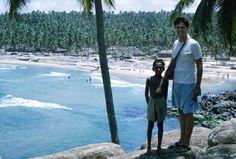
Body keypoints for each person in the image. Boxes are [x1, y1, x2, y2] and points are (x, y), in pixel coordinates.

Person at [168, 16, 203, 153]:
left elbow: (200, 66)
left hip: (189, 83)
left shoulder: (193, 44)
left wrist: (198, 86)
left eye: (183, 27)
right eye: (178, 27)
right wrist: (166, 76)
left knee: (188, 113)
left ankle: (187, 143)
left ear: (187, 28)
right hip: (177, 82)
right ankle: (181, 140)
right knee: (180, 111)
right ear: (175, 29)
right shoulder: (176, 43)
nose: (180, 29)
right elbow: (173, 61)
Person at [145, 59, 169, 155]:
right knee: (150, 125)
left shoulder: (165, 80)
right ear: (153, 68)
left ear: (163, 69)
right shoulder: (149, 79)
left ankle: (159, 146)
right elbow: (146, 93)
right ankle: (149, 146)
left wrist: (163, 103)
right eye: (156, 67)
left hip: (161, 102)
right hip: (151, 102)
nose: (158, 69)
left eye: (160, 67)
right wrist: (149, 103)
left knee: (160, 125)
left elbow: (166, 94)